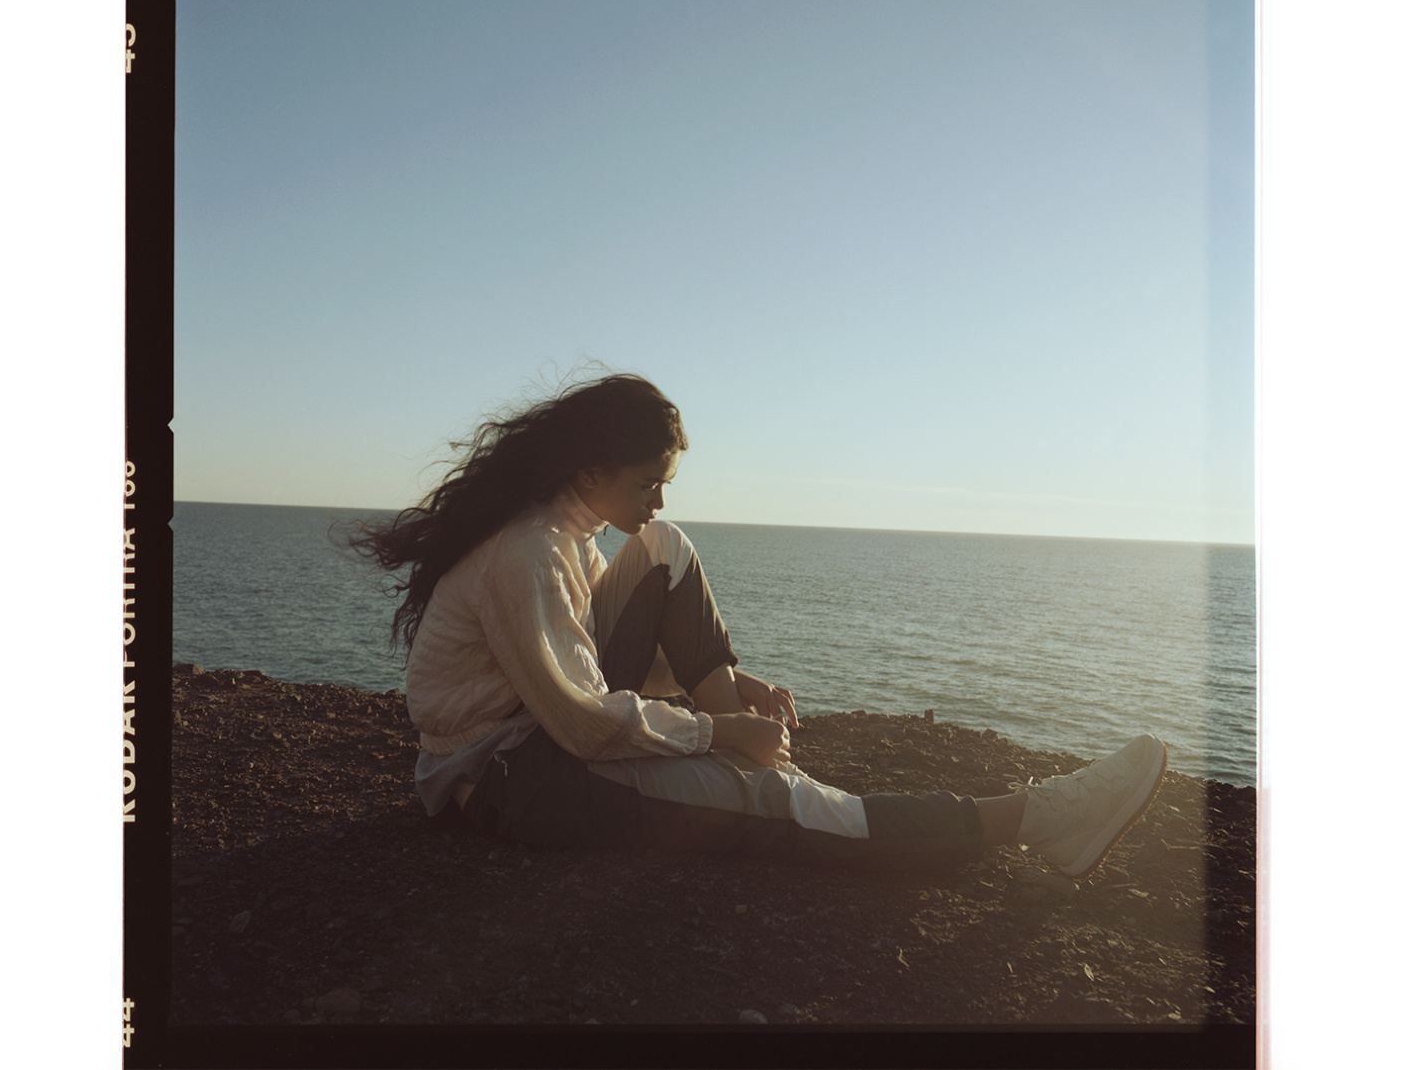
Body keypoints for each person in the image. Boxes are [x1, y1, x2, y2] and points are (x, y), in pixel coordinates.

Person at [350, 373, 1166, 876]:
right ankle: (1037, 820)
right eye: (646, 483)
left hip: (539, 740)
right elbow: (583, 723)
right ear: (591, 472)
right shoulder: (530, 552)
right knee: (778, 804)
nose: (656, 499)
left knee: (666, 549)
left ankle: (742, 745)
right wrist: (718, 733)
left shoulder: (569, 533)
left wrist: (724, 689)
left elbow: (594, 656)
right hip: (508, 779)